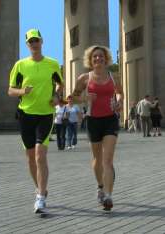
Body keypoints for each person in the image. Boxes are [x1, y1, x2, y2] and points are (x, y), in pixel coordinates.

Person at [8, 28, 63, 214]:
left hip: (45, 114)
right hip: (26, 114)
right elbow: (10, 90)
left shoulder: (52, 64)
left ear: (42, 41)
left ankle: (40, 197)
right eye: (31, 41)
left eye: (36, 40)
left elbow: (60, 83)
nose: (34, 44)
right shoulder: (20, 65)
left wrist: (56, 96)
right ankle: (40, 187)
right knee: (31, 157)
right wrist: (22, 92)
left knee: (40, 155)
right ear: (27, 45)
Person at [71, 45, 124, 211]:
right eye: (95, 57)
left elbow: (120, 92)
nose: (98, 59)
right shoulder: (84, 78)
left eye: (101, 56)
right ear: (90, 60)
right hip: (93, 121)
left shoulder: (113, 76)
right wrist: (85, 97)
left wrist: (119, 102)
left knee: (107, 160)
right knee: (97, 160)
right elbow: (73, 97)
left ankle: (108, 196)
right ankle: (100, 186)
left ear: (106, 58)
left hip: (110, 120)